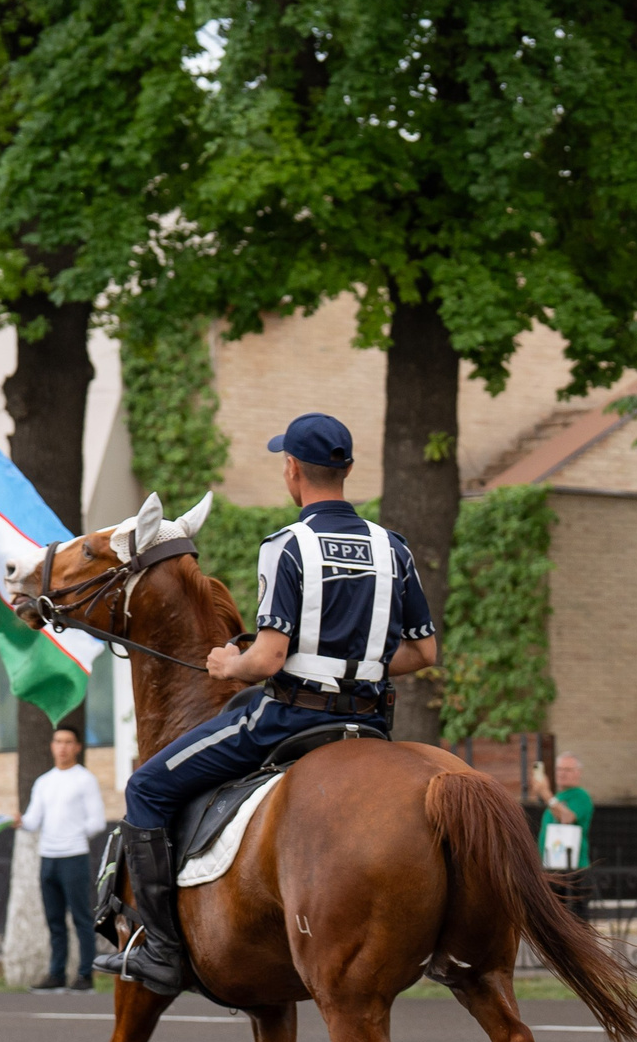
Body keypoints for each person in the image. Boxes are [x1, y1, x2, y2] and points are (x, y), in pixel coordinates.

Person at [100, 413, 438, 996]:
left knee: (146, 789)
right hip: (370, 723)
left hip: (291, 718)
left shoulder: (286, 547)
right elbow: (423, 651)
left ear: (291, 470)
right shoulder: (393, 547)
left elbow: (269, 659)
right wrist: (353, 667)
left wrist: (229, 663)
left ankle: (159, 950)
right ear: (348, 469)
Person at [25, 724, 105, 992]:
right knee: (54, 920)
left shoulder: (85, 779)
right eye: (58, 741)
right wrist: (16, 821)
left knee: (81, 918)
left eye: (68, 742)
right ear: (51, 745)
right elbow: (32, 820)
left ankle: (85, 975)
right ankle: (56, 974)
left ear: (77, 747)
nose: (62, 747)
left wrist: (73, 835)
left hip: (74, 856)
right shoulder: (43, 782)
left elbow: (97, 822)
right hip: (48, 858)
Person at [528, 753, 594, 923]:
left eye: (567, 769)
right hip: (552, 868)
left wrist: (546, 794)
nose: (562, 773)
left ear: (578, 773)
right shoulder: (558, 798)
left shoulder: (580, 796)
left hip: (573, 870)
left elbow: (567, 818)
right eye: (559, 769)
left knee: (577, 924)